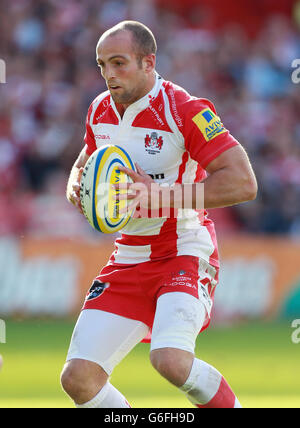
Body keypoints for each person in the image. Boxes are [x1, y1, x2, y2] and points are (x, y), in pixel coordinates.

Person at [61, 20, 257, 408]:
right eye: (102, 65)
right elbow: (82, 166)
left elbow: (243, 183)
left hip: (183, 249)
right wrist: (77, 192)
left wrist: (161, 196)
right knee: (78, 379)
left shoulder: (184, 110)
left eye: (119, 63)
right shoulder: (99, 109)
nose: (109, 75)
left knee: (169, 360)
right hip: (129, 255)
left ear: (149, 62)